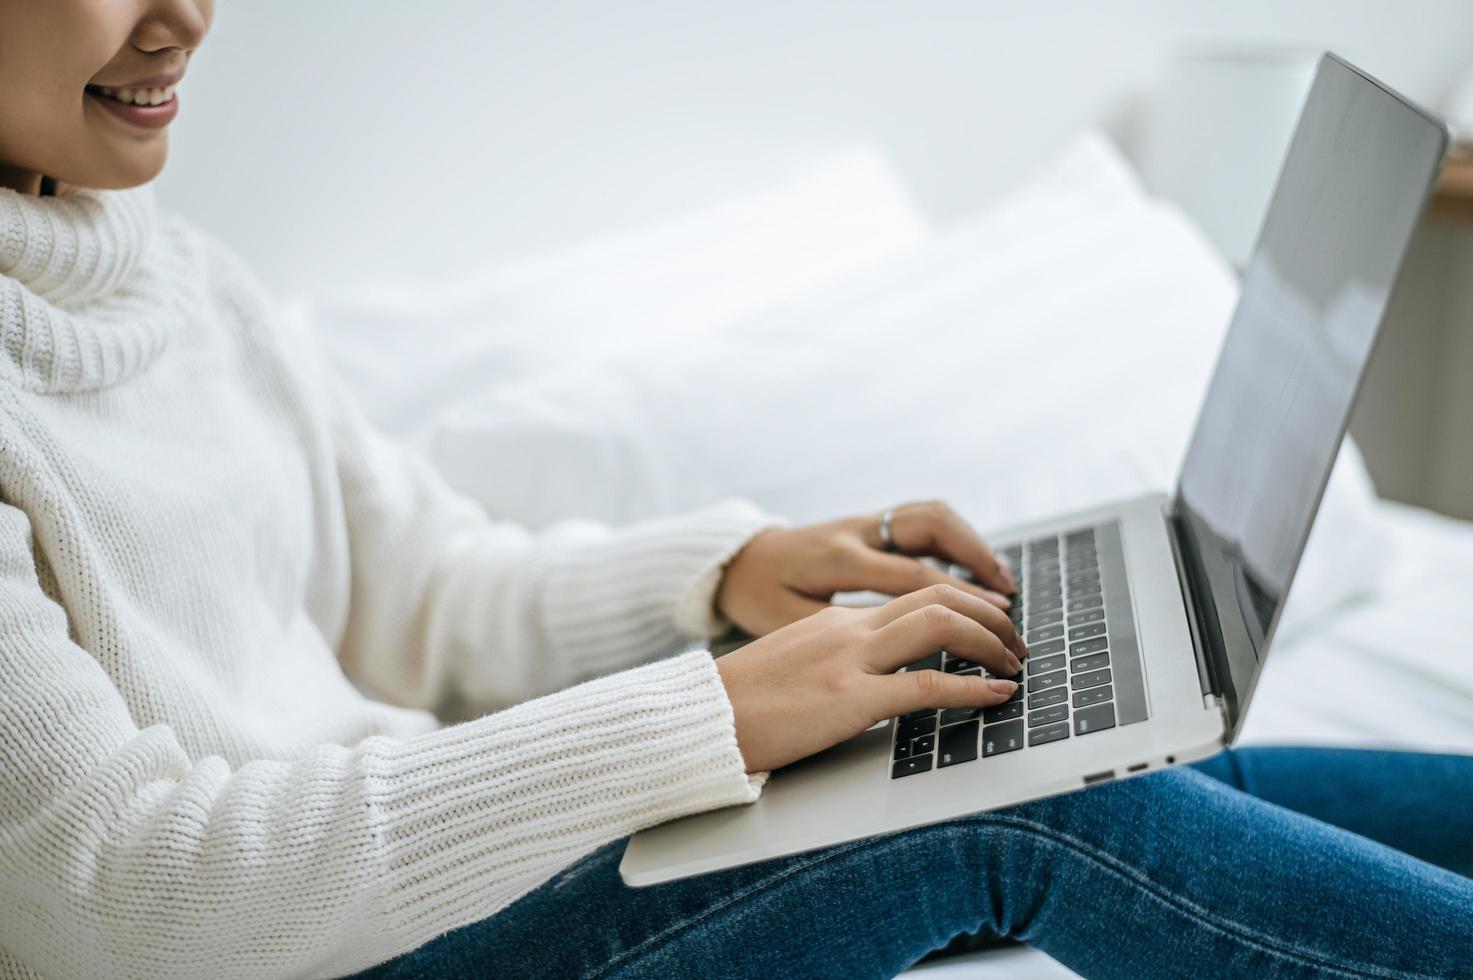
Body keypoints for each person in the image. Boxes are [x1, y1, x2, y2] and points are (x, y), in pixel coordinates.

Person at [0, 3, 1469, 978]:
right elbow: (130, 887)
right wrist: (714, 713)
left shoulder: (172, 268)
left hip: (400, 877)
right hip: (335, 954)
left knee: (1061, 744)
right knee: (1006, 809)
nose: (183, 15)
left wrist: (723, 578)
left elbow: (425, 590)